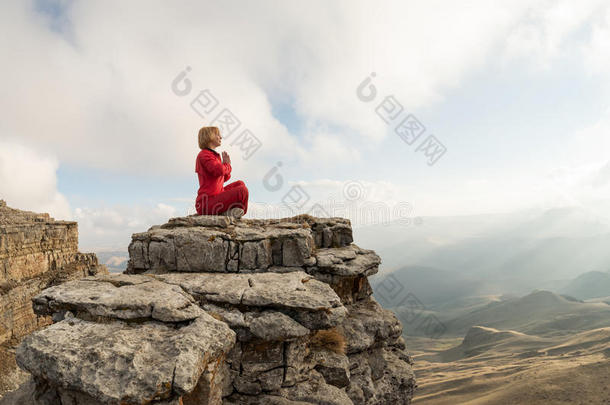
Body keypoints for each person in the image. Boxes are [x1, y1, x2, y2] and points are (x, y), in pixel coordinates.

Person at [195, 126, 249, 218]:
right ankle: (229, 213)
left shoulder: (213, 155)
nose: (220, 137)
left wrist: (225, 165)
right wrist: (227, 165)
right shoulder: (204, 154)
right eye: (217, 134)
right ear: (208, 136)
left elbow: (223, 178)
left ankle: (228, 211)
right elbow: (219, 170)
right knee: (242, 191)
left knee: (240, 184)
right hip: (207, 203)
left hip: (216, 197)